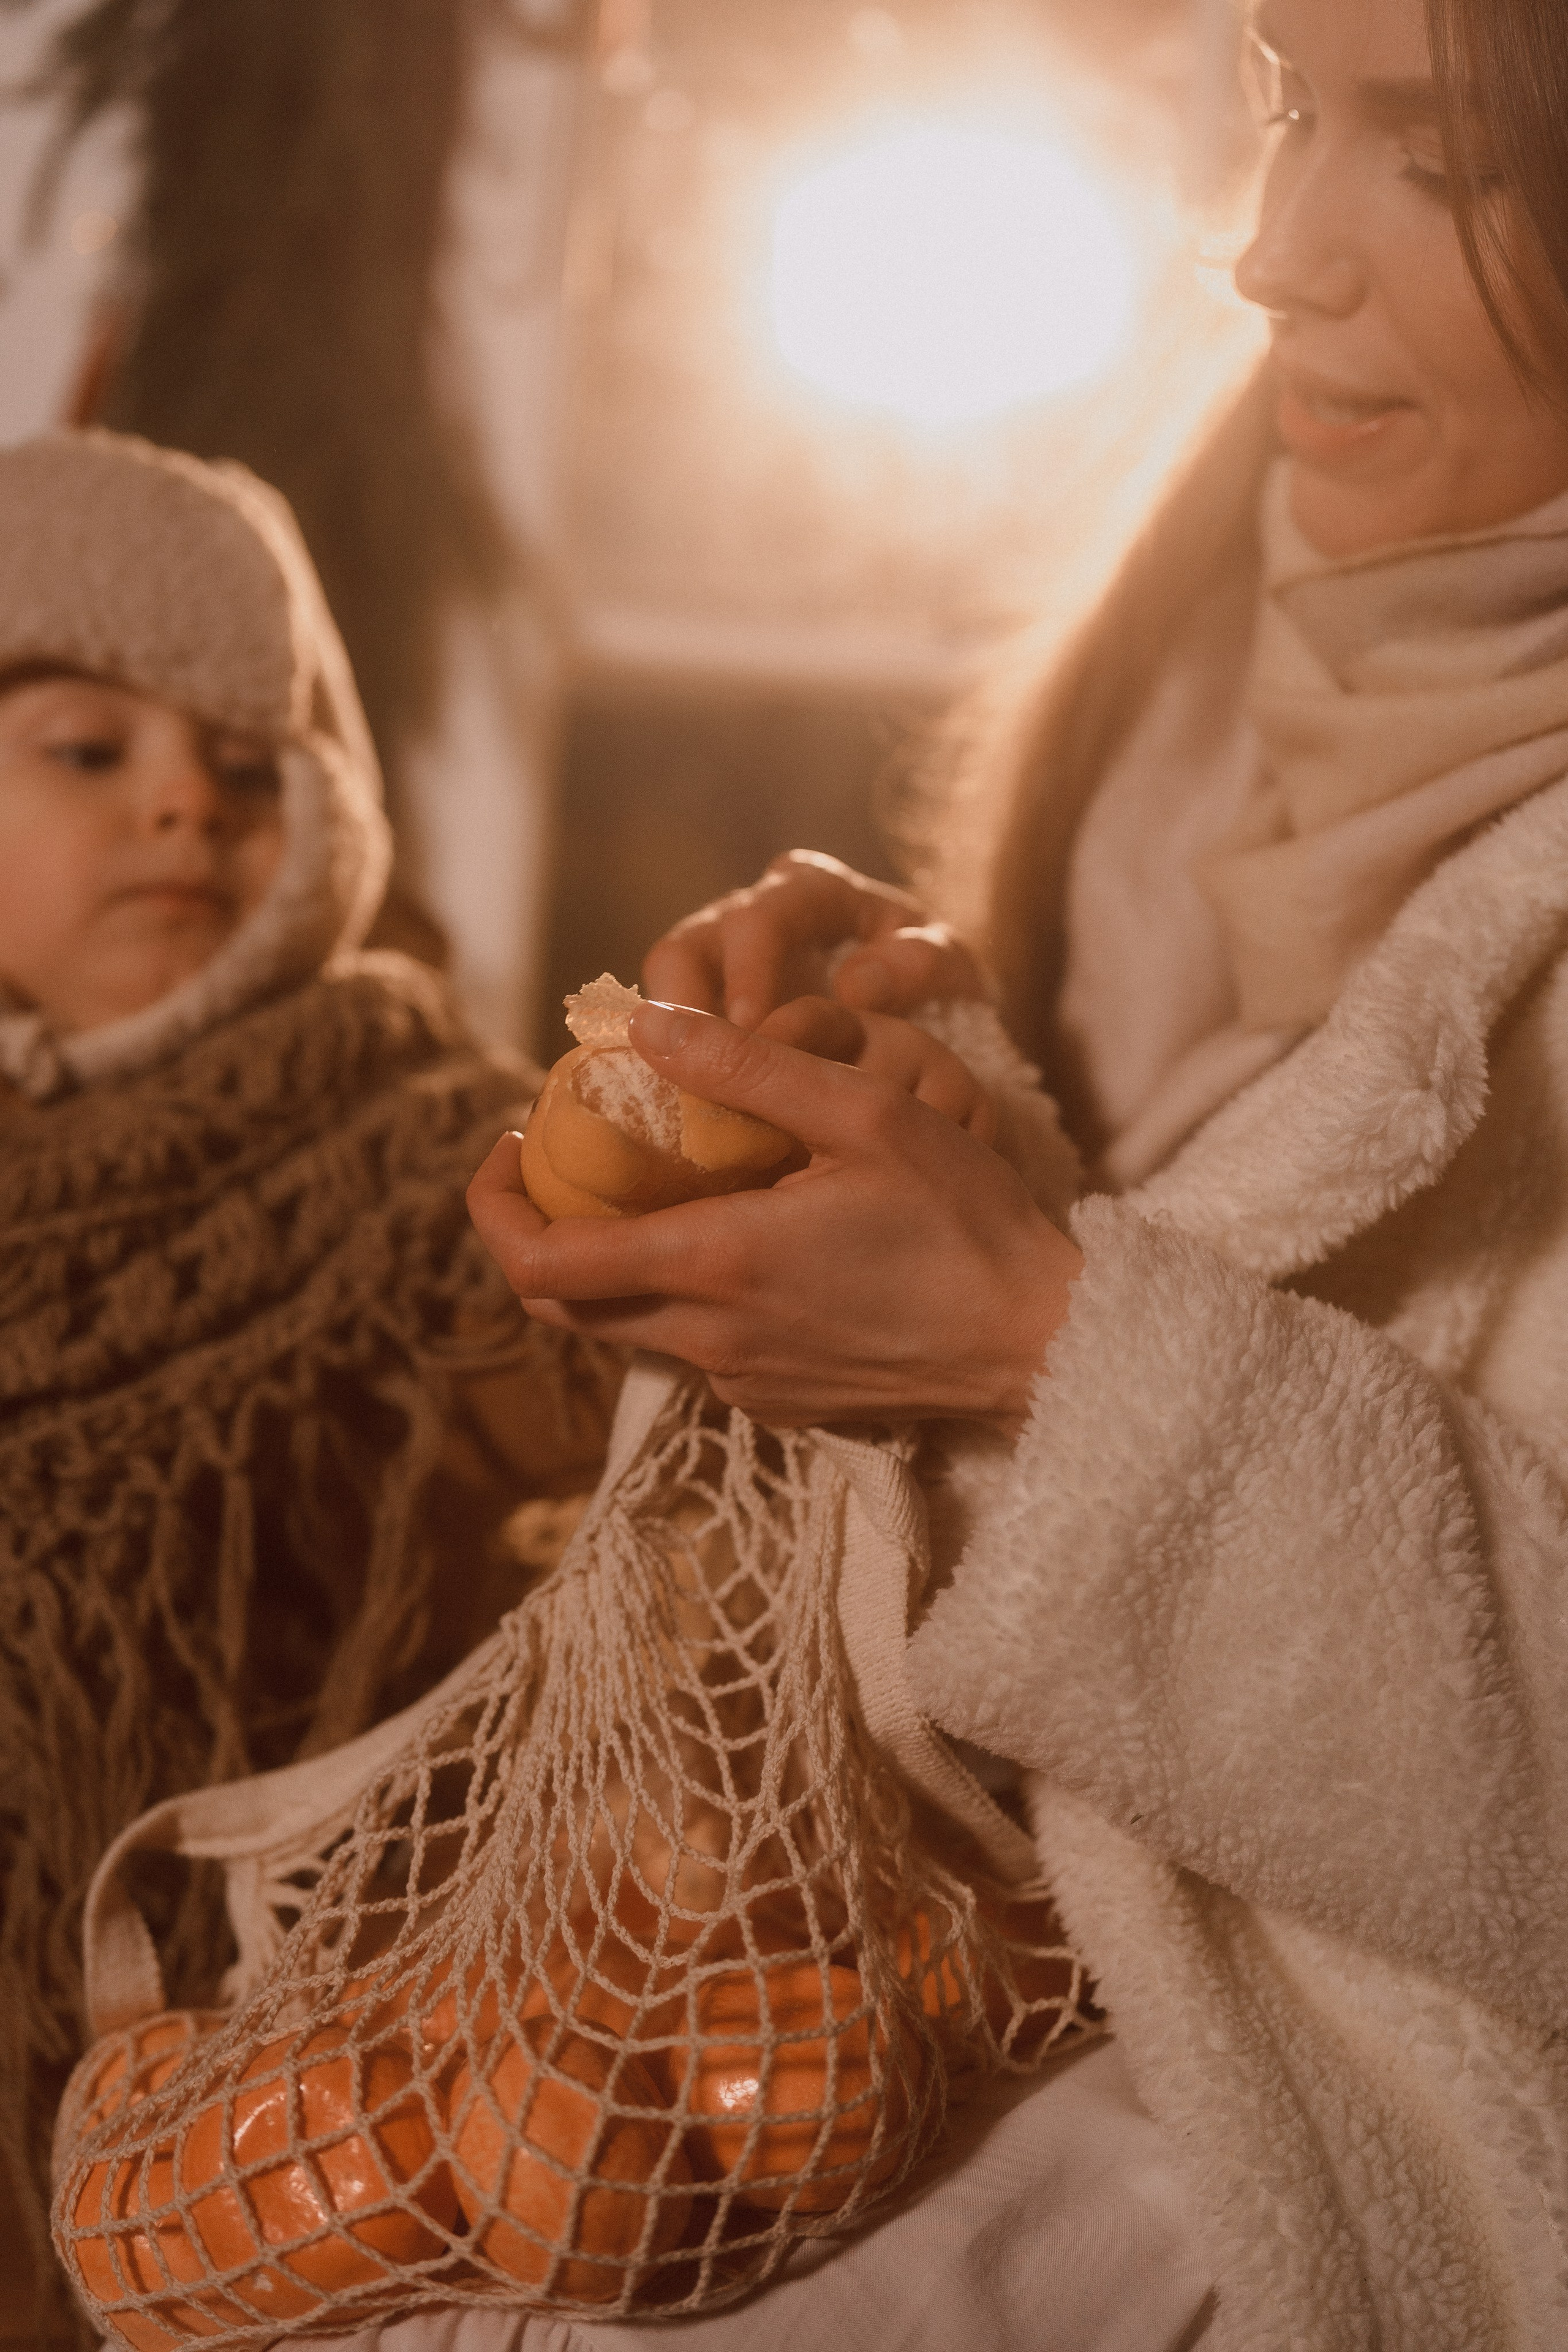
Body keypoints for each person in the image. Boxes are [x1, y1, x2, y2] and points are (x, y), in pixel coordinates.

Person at [469, 0, 1568, 2342]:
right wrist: (937, 1073)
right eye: (1287, 103)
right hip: (954, 1977)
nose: (1272, 254)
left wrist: (1034, 1353)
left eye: (1443, 153)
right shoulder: (1206, 625)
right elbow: (1264, 1240)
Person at [0, 429, 623, 2340]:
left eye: (253, 765)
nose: (184, 802)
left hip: (256, 2088)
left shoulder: (430, 1150)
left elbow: (619, 1392)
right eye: (87, 751)